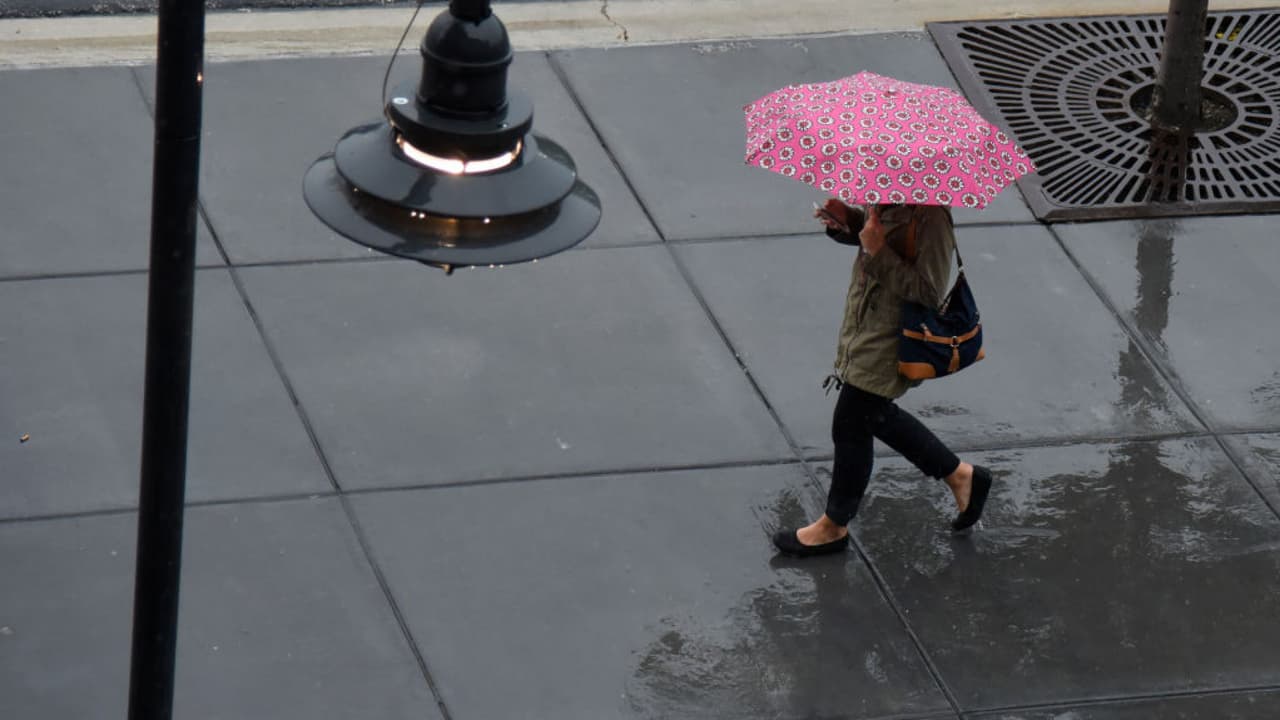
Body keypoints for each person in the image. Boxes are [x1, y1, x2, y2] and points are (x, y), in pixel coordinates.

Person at [772, 199, 993, 557]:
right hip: (866, 325)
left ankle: (833, 525)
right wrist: (850, 222)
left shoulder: (933, 217)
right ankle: (960, 476)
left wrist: (875, 249)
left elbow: (929, 291)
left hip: (891, 337)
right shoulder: (893, 195)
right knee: (868, 417)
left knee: (851, 421)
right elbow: (884, 239)